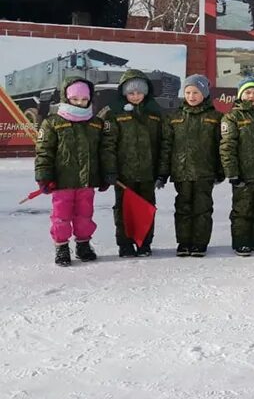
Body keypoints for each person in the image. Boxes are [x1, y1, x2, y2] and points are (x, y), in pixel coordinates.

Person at [34, 78, 110, 266]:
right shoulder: (53, 123)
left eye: (84, 99)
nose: (79, 102)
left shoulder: (95, 124)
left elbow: (103, 151)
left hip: (87, 181)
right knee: (61, 216)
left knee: (85, 214)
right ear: (66, 98)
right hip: (62, 181)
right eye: (75, 99)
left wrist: (105, 173)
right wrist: (44, 176)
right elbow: (44, 151)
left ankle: (83, 244)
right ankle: (61, 247)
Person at [99, 70, 164, 257]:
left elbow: (162, 142)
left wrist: (161, 172)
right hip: (123, 175)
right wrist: (110, 170)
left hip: (147, 173)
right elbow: (107, 144)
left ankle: (144, 243)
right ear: (123, 93)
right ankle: (125, 244)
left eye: (139, 92)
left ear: (146, 92)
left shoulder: (154, 113)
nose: (135, 96)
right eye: (131, 93)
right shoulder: (114, 113)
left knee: (146, 209)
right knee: (123, 210)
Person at [159, 74, 224, 257]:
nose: (191, 96)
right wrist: (163, 173)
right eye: (187, 92)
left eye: (195, 92)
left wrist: (221, 170)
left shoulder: (215, 117)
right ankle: (184, 242)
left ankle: (199, 243)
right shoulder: (174, 117)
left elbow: (221, 146)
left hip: (205, 172)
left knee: (202, 209)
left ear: (204, 93)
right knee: (183, 208)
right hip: (182, 172)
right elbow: (166, 146)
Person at [221, 77, 254, 256]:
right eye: (248, 92)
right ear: (240, 95)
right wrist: (232, 172)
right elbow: (227, 146)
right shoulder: (233, 117)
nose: (251, 96)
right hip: (244, 174)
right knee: (242, 210)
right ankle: (241, 242)